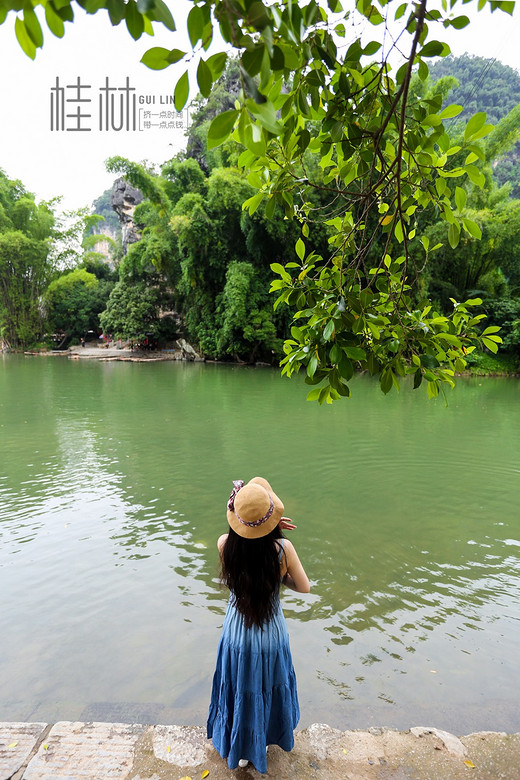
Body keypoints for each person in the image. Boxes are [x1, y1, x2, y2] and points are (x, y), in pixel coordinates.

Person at [207, 476, 310, 773]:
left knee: (240, 684)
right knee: (265, 684)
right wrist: (280, 574)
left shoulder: (225, 544)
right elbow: (304, 587)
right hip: (270, 632)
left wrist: (264, 524)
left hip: (236, 631)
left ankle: (239, 748)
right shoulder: (282, 550)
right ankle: (261, 742)